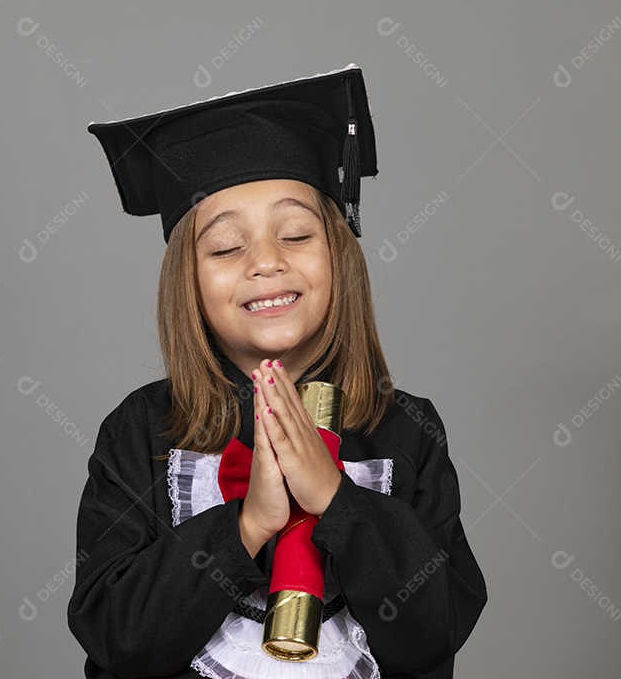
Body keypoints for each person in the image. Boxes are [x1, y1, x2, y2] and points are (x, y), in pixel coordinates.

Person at [68, 65, 487, 679]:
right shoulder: (141, 432)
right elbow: (119, 637)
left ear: (339, 257)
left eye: (295, 234)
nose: (266, 262)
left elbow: (436, 632)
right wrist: (249, 523)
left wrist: (336, 500)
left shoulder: (406, 428)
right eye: (225, 246)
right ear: (186, 282)